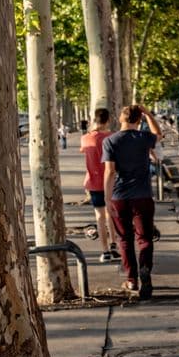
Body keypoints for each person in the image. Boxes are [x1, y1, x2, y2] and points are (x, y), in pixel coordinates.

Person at [102, 105, 164, 299]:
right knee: (145, 239)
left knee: (125, 240)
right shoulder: (144, 138)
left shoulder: (110, 141)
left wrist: (107, 198)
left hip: (120, 197)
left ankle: (132, 279)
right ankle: (145, 272)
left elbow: (110, 172)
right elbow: (159, 134)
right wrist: (149, 114)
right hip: (143, 196)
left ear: (121, 118)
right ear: (139, 120)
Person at [79, 107, 119, 263]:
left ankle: (105, 251)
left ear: (94, 119)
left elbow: (84, 150)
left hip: (94, 183)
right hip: (112, 182)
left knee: (100, 217)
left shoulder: (85, 138)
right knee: (111, 214)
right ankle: (114, 245)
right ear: (108, 120)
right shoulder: (112, 137)